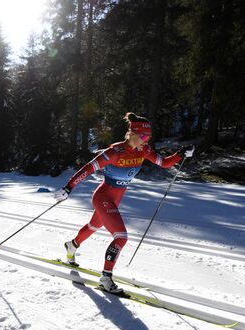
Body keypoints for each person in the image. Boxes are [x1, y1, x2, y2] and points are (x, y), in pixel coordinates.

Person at [54, 112, 194, 293]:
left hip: (115, 199)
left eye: (148, 137)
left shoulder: (144, 150)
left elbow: (165, 163)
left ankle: (72, 245)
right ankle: (105, 278)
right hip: (103, 197)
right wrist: (68, 188)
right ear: (131, 133)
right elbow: (89, 168)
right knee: (121, 237)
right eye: (143, 136)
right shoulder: (114, 152)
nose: (146, 140)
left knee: (93, 225)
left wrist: (180, 154)